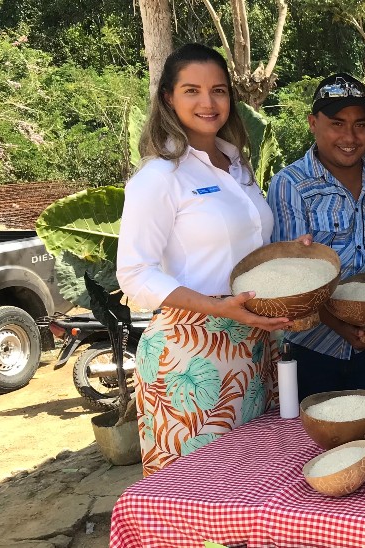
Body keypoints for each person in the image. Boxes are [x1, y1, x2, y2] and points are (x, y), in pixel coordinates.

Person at [117, 44, 296, 476]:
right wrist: (218, 307)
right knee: (200, 487)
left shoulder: (237, 166)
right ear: (167, 97)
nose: (208, 102)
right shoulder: (159, 177)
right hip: (190, 352)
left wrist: (290, 252)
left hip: (253, 343)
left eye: (218, 90)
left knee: (252, 480)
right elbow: (135, 274)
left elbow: (243, 249)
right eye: (191, 90)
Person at [267, 73, 365, 404]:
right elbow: (290, 273)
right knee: (317, 432)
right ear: (313, 123)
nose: (350, 137)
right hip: (314, 347)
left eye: (361, 124)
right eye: (337, 124)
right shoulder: (291, 184)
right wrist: (342, 328)